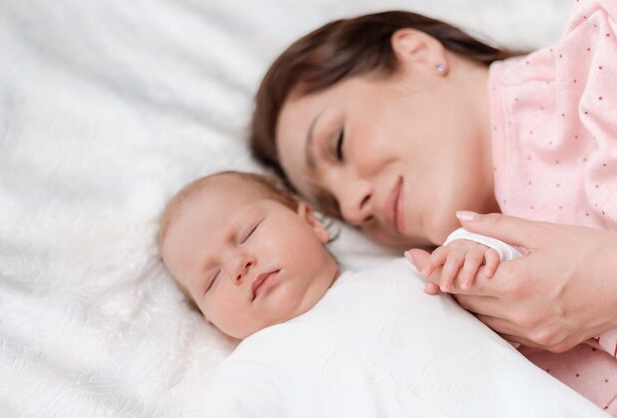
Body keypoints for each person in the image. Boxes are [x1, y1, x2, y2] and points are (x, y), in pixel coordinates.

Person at [248, 3, 617, 413]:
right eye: (334, 206)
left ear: (420, 53)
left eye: (337, 143)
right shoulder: (458, 321)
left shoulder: (604, 49)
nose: (354, 207)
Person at [157, 170, 605, 417]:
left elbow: (518, 275)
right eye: (211, 280)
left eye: (249, 232)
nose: (239, 266)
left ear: (311, 221)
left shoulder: (406, 273)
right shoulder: (253, 369)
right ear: (210, 321)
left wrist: (476, 250)